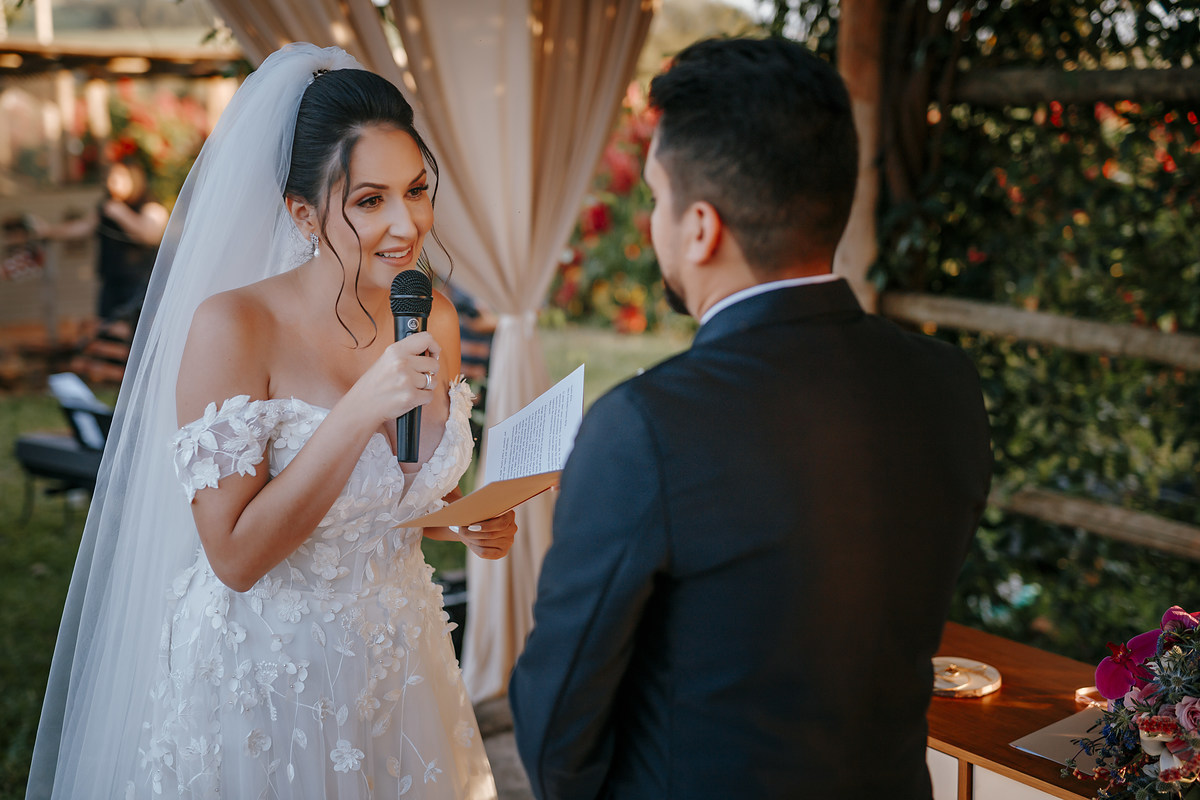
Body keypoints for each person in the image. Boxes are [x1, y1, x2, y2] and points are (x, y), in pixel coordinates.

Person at [26, 43, 516, 799]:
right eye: (370, 201)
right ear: (302, 213)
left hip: (401, 662)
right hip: (267, 678)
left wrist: (463, 520)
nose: (406, 224)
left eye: (416, 190)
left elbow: (391, 499)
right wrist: (360, 407)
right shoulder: (235, 328)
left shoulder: (432, 316)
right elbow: (235, 556)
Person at [508, 36, 993, 800]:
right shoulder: (947, 384)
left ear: (701, 227)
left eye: (657, 198)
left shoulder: (645, 428)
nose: (652, 223)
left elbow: (556, 731)